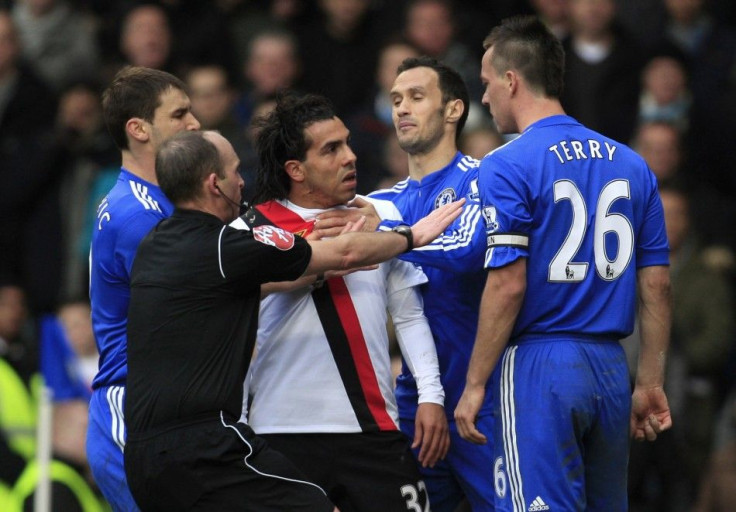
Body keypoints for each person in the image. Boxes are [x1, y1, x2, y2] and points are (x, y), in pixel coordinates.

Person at [123, 129, 464, 511]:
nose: (242, 181)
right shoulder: (226, 245)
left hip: (143, 453)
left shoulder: (155, 245)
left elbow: (266, 282)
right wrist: (408, 236)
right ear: (213, 184)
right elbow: (345, 253)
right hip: (206, 445)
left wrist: (319, 274)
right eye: (235, 172)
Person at [454, 15, 672, 511]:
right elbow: (657, 285)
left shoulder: (506, 164)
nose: (484, 99)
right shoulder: (633, 164)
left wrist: (474, 384)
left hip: (541, 367)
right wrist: (651, 383)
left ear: (511, 81)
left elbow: (508, 285)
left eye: (487, 85)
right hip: (613, 371)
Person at [243, 92, 449, 512]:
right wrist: (242, 425)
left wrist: (431, 395)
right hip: (280, 432)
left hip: (373, 427)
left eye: (348, 143)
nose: (350, 157)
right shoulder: (249, 231)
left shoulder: (381, 213)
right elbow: (234, 331)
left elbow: (408, 314)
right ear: (295, 169)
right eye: (332, 149)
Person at [368, 56, 496, 512]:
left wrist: (391, 241)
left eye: (417, 97)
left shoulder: (483, 178)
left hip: (486, 396)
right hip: (413, 400)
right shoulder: (380, 202)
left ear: (453, 110)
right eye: (397, 99)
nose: (402, 108)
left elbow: (467, 253)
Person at [86, 65, 200, 512]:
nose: (194, 124)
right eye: (179, 115)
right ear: (139, 129)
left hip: (173, 406)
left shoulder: (171, 200)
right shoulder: (135, 214)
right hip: (133, 410)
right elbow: (217, 283)